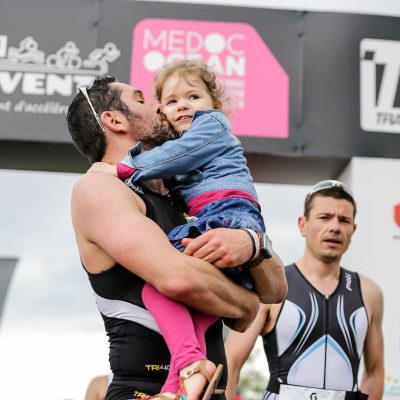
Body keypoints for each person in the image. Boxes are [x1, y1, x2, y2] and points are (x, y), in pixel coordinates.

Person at [66, 76, 287, 400]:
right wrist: (245, 302)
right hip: (147, 391)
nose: (158, 105)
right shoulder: (99, 188)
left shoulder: (183, 192)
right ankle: (189, 365)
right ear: (114, 120)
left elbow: (277, 290)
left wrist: (251, 244)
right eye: (142, 100)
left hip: (210, 391)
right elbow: (179, 280)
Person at [225, 180, 384, 400]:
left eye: (344, 220)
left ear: (352, 229)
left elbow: (375, 372)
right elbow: (231, 362)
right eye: (324, 217)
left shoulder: (369, 293)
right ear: (303, 225)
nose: (335, 227)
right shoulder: (272, 287)